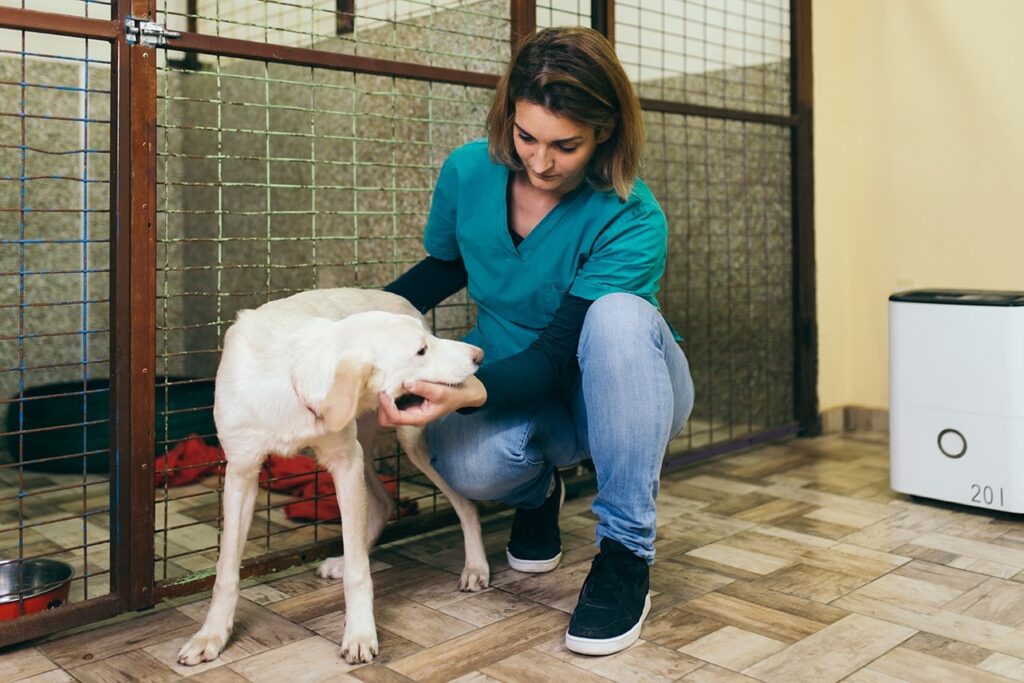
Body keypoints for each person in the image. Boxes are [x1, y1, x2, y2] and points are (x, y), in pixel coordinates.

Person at [378, 26, 694, 656]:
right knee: (469, 465)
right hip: (513, 371)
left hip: (618, 382)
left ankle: (626, 553)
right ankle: (538, 490)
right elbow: (449, 264)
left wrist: (464, 393)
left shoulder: (632, 215)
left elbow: (556, 356)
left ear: (605, 132)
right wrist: (358, 320)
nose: (541, 162)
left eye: (565, 145)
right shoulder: (469, 169)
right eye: (527, 137)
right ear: (508, 118)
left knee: (618, 315)